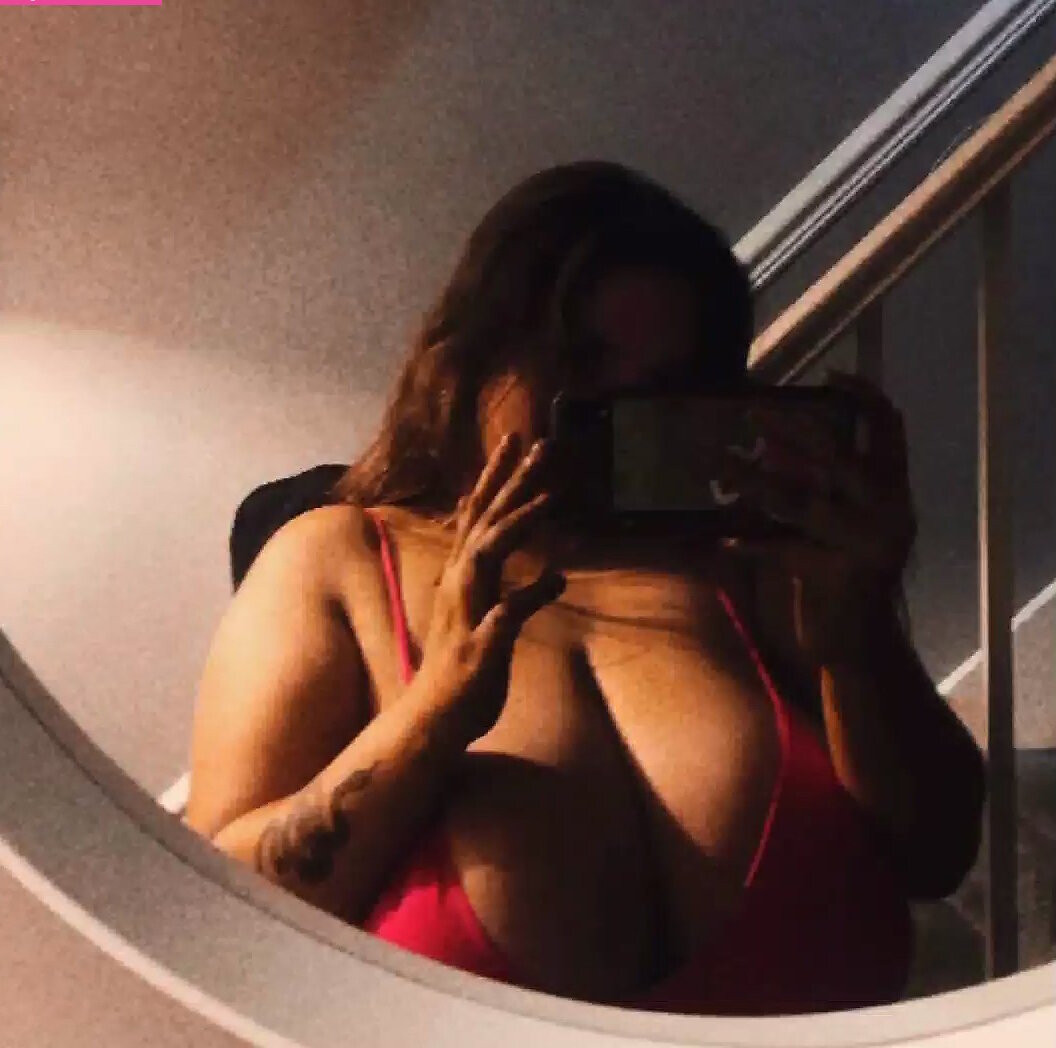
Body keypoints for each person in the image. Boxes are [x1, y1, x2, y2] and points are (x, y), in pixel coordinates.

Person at [183, 161, 986, 1015]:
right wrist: (432, 717)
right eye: (578, 370)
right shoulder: (337, 559)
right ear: (469, 363)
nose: (612, 425)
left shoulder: (762, 572)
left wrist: (861, 641)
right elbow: (218, 919)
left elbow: (937, 856)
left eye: (663, 392)